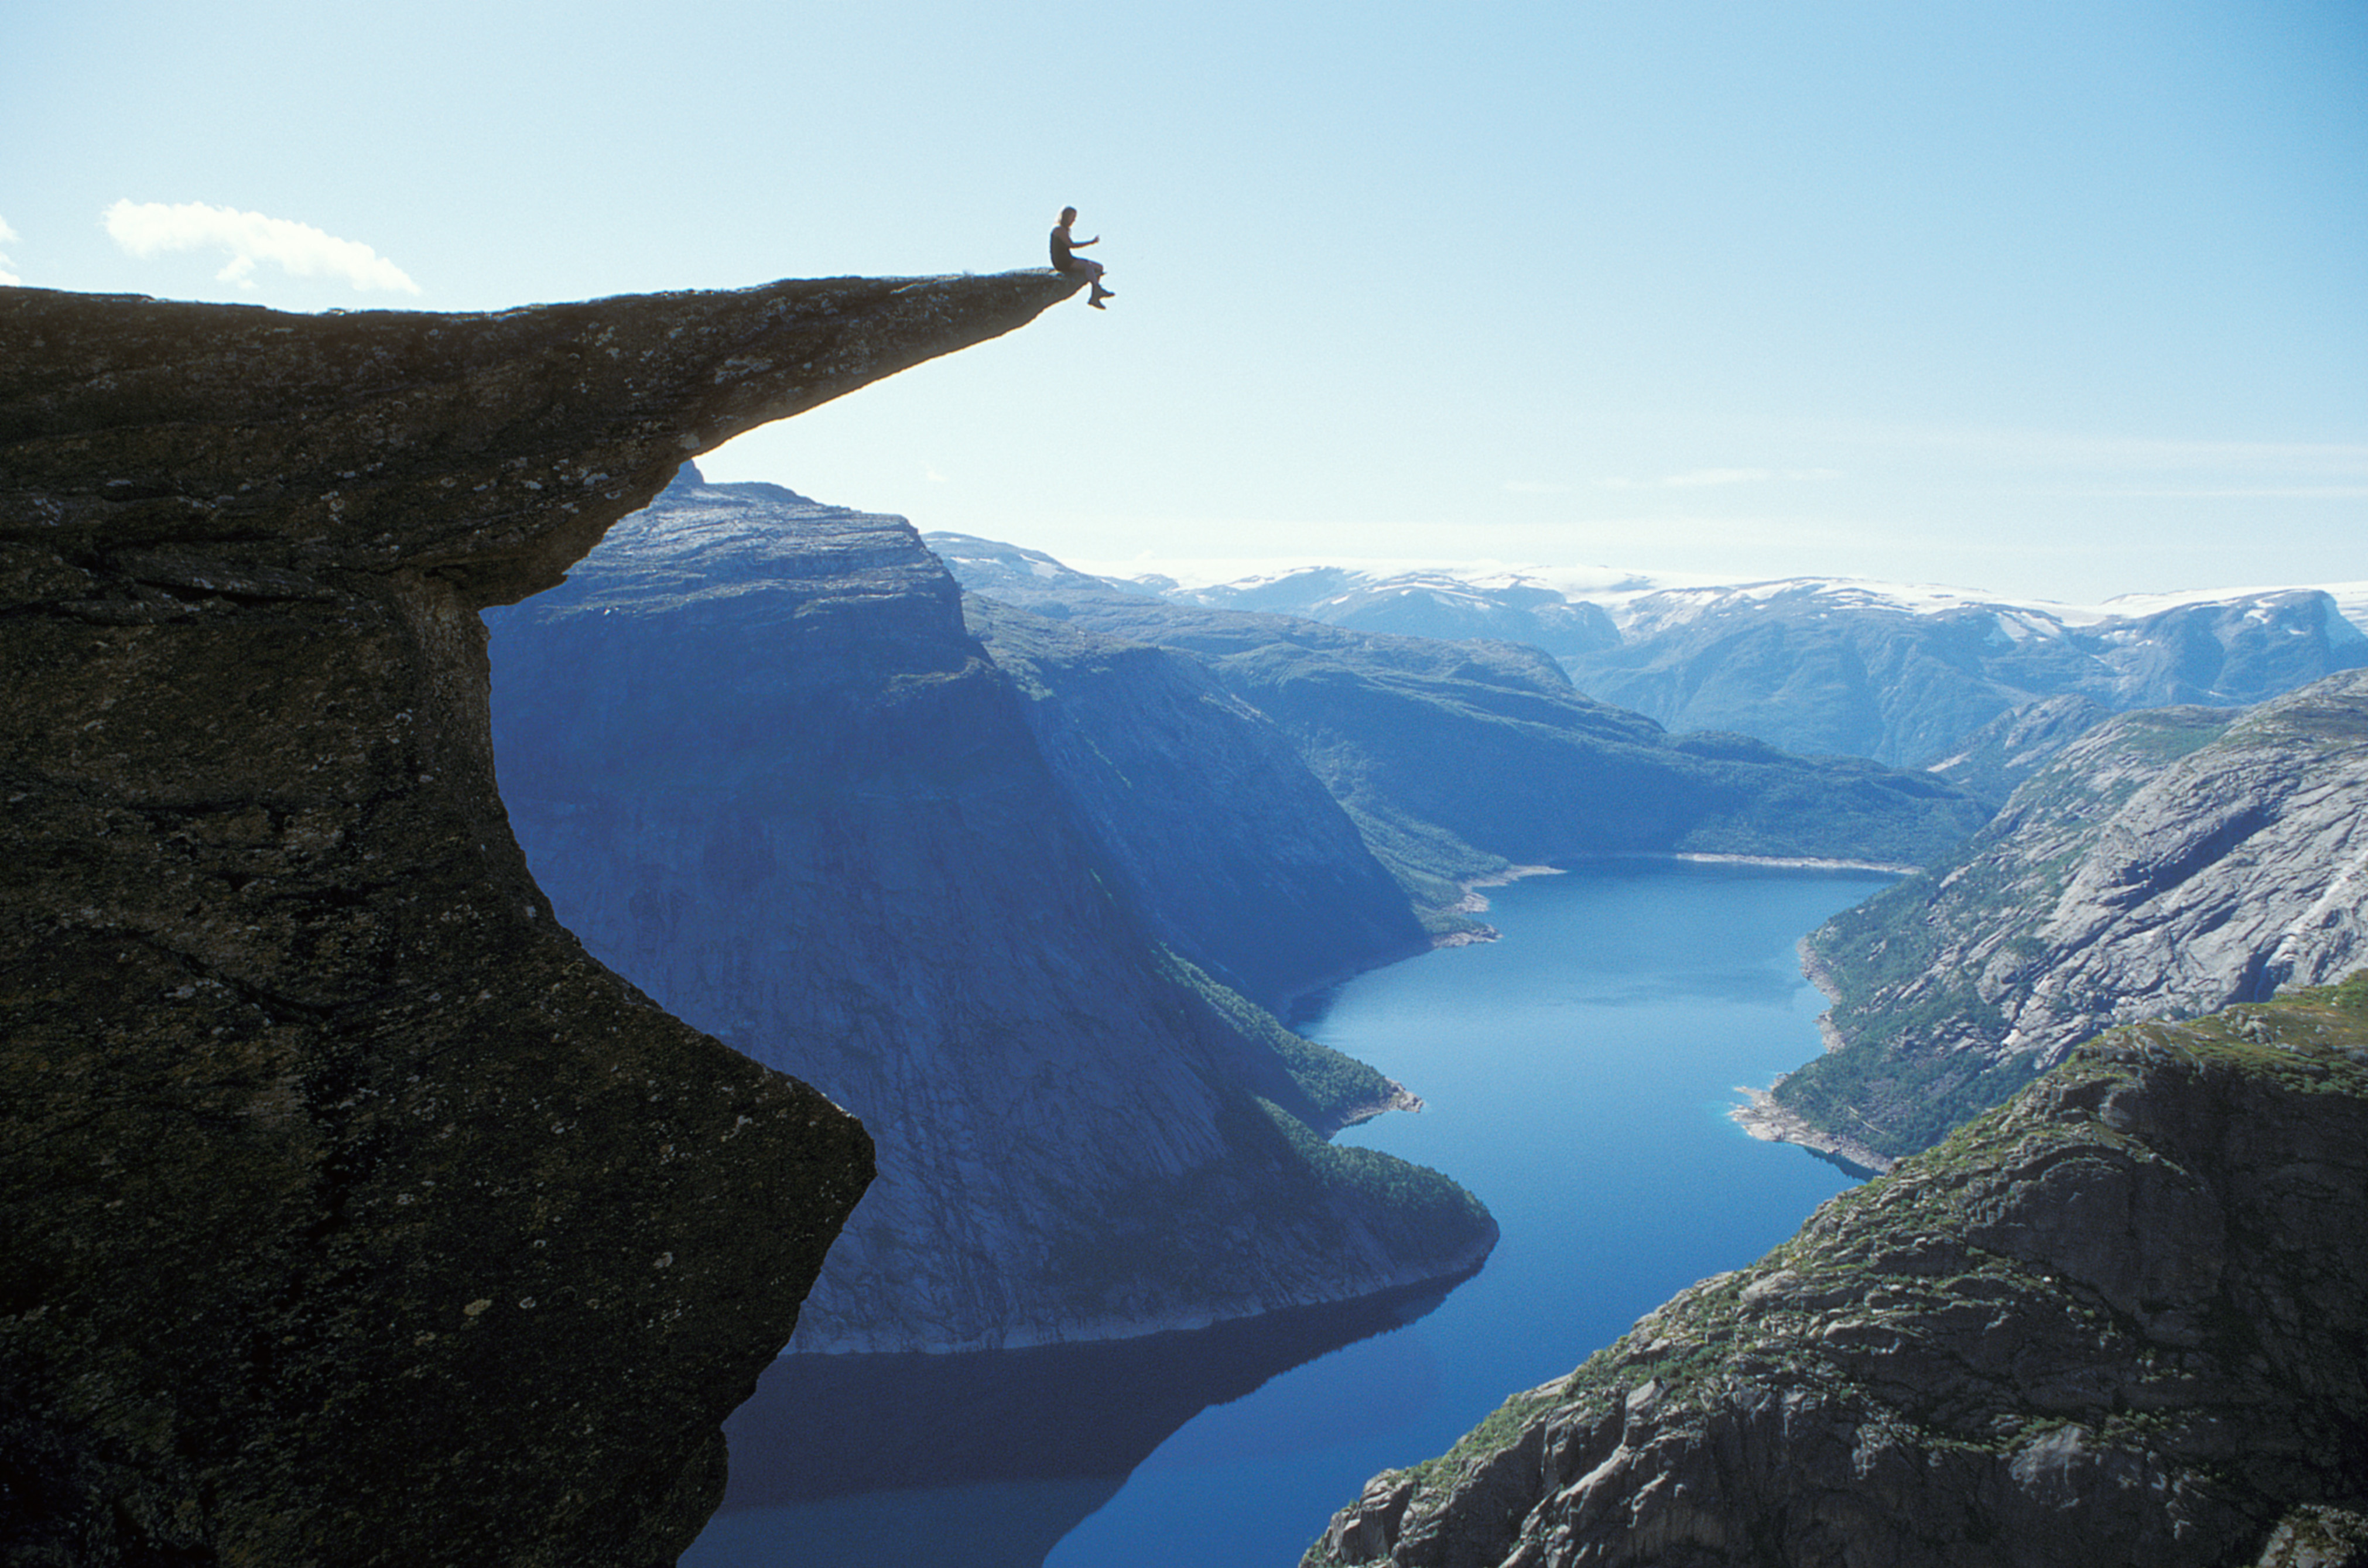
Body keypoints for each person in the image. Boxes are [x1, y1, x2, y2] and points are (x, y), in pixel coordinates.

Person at [1050, 207, 1113, 308]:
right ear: (1066, 217)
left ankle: (1095, 297)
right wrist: (1091, 242)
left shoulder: (1064, 230)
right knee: (1088, 267)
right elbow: (1071, 245)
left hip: (1069, 258)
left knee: (1099, 267)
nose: (1074, 220)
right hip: (1062, 261)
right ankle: (1097, 288)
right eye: (1072, 217)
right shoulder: (1059, 230)